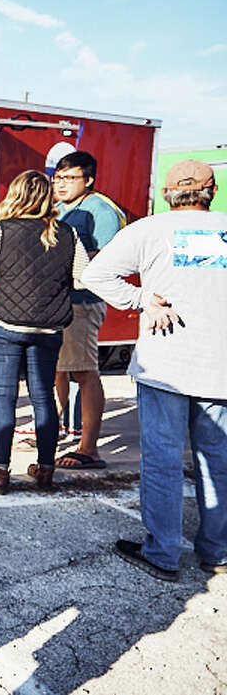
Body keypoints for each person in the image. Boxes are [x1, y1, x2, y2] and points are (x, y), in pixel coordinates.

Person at [81, 159, 227, 581]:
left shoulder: (149, 229)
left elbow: (95, 274)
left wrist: (141, 299)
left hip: (165, 364)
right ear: (211, 189)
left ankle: (162, 552)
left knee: (162, 460)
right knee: (216, 460)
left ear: (167, 193)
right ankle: (216, 551)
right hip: (219, 365)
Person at [0, 170, 90, 494]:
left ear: (16, 195)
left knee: (4, 395)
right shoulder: (68, 233)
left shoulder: (3, 229)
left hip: (4, 324)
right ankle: (46, 468)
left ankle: (0, 470)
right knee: (43, 396)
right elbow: (82, 279)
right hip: (48, 327)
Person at [50, 150, 125, 469]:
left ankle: (88, 448)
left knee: (83, 371)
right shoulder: (58, 209)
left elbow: (110, 258)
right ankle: (49, 433)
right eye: (58, 178)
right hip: (55, 303)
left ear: (89, 179)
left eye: (70, 178)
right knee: (56, 370)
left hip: (83, 303)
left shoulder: (102, 210)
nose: (61, 184)